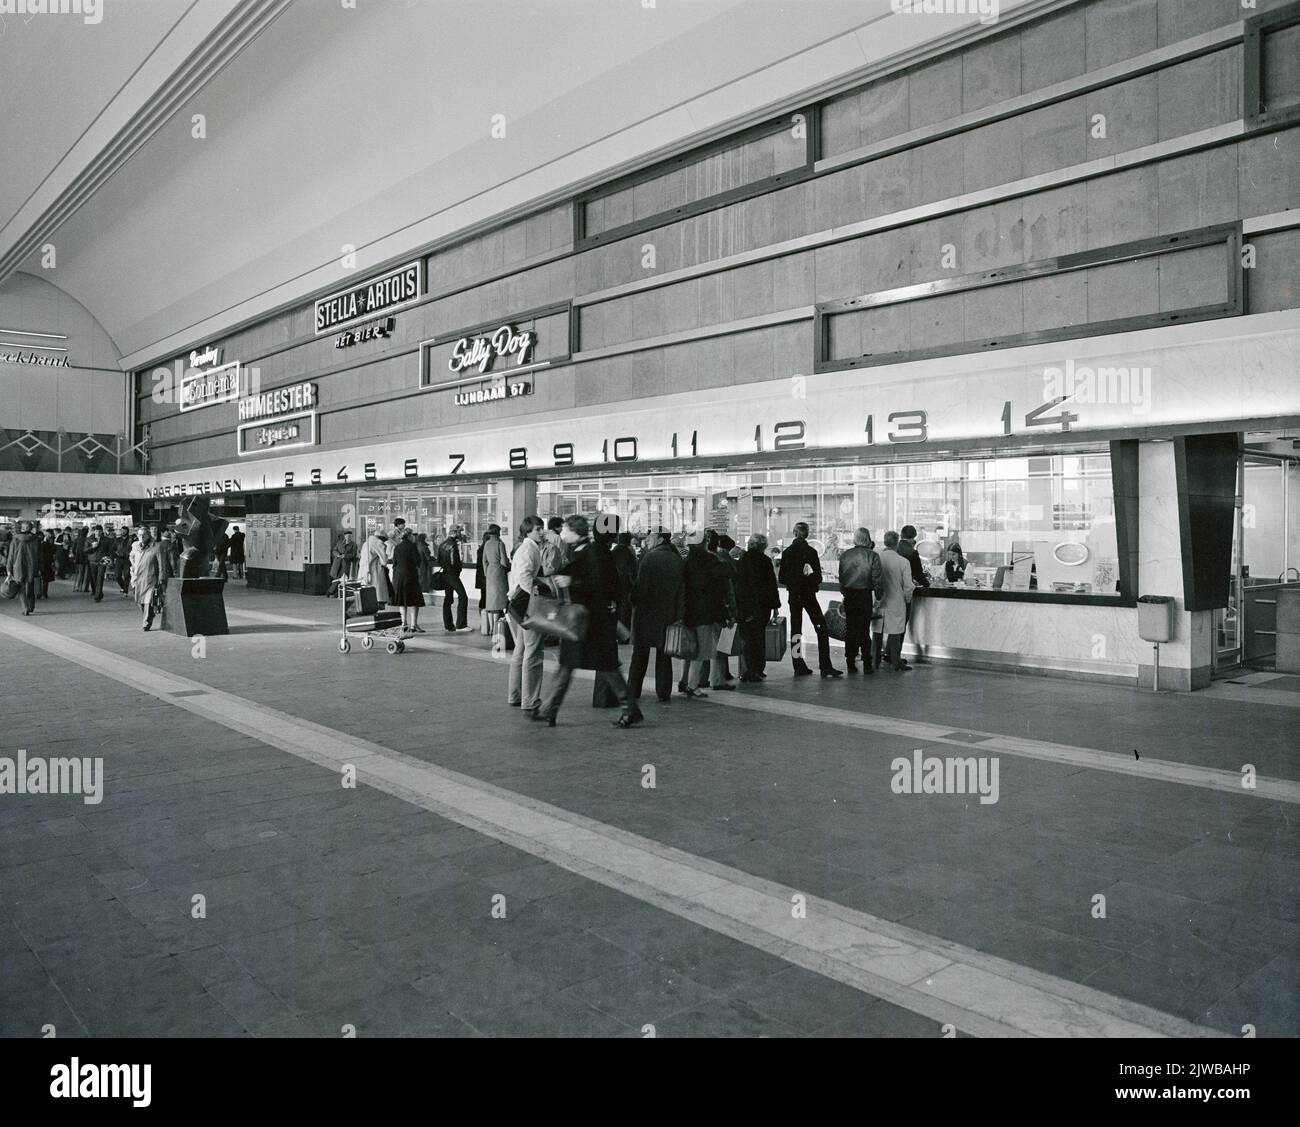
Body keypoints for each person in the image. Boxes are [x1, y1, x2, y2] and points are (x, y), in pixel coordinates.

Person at [532, 514, 642, 729]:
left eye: (565, 529)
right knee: (576, 665)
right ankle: (549, 710)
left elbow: (598, 585)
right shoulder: (583, 551)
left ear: (574, 531)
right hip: (586, 622)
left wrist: (572, 581)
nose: (561, 533)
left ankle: (630, 709)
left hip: (592, 624)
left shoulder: (592, 553)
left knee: (600, 666)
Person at [627, 528, 685, 706]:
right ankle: (663, 692)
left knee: (640, 654)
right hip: (668, 614)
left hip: (647, 612)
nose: (647, 540)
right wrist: (680, 614)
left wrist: (633, 602)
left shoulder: (649, 557)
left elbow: (639, 586)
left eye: (651, 537)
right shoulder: (677, 559)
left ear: (660, 539)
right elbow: (683, 591)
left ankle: (633, 690)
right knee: (663, 655)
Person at [777, 521, 842, 678]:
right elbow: (818, 577)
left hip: (794, 595)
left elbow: (782, 577)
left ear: (794, 533)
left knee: (796, 630)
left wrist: (794, 582)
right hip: (808, 595)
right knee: (821, 628)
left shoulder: (787, 553)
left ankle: (798, 664)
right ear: (807, 534)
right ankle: (825, 665)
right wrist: (808, 580)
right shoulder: (811, 552)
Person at [682, 528, 734, 696]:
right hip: (706, 612)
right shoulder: (709, 560)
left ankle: (687, 682)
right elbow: (729, 573)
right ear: (703, 543)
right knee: (702, 651)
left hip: (690, 611)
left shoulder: (686, 562)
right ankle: (692, 685)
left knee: (692, 649)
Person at [505, 516, 546, 712]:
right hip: (528, 607)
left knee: (520, 652)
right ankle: (530, 700)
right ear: (528, 531)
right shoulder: (529, 549)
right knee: (534, 652)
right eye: (538, 529)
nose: (541, 532)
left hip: (516, 606)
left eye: (542, 529)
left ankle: (515, 695)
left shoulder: (525, 547)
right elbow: (524, 577)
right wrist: (536, 595)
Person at [736, 532, 781, 682]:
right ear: (763, 546)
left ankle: (748, 669)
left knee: (748, 638)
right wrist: (775, 606)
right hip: (763, 606)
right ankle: (758, 669)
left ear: (753, 544)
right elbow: (771, 585)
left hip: (747, 605)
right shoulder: (766, 561)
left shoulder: (743, 560)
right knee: (759, 637)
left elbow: (741, 585)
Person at [838, 527, 884, 674]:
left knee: (851, 629)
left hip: (850, 596)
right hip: (864, 595)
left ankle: (850, 662)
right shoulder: (873, 556)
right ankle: (867, 663)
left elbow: (842, 578)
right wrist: (878, 596)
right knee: (864, 630)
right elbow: (877, 579)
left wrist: (845, 593)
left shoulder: (845, 555)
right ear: (868, 538)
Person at [875, 530, 916, 673]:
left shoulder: (877, 558)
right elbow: (908, 586)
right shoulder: (903, 561)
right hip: (896, 600)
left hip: (879, 600)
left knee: (877, 630)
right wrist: (906, 599)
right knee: (895, 632)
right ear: (897, 543)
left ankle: (874, 661)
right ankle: (895, 662)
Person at [130, 527, 168, 630]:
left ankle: (146, 622)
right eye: (139, 535)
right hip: (137, 578)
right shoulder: (135, 546)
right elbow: (132, 559)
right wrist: (132, 571)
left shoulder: (157, 546)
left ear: (148, 535)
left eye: (143, 535)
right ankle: (150, 615)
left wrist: (161, 577)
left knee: (148, 600)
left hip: (151, 578)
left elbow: (161, 564)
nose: (141, 537)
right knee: (139, 601)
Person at [389, 528, 425, 634]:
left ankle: (403, 624)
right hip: (410, 575)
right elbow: (417, 561)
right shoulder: (412, 546)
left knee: (402, 601)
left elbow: (394, 563)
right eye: (412, 535)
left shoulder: (397, 547)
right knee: (414, 601)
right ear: (409, 536)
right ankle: (414, 625)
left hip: (399, 576)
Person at [480, 524, 510, 635]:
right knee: (499, 601)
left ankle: (491, 628)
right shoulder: (500, 544)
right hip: (498, 571)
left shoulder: (487, 544)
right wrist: (509, 565)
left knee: (491, 601)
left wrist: (486, 572)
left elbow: (484, 560)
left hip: (489, 572)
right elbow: (503, 561)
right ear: (498, 532)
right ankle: (496, 629)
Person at [438, 525, 469, 632]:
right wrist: (458, 570)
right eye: (460, 532)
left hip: (445, 574)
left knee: (448, 598)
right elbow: (454, 562)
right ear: (455, 532)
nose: (461, 534)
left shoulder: (442, 544)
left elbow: (439, 560)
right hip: (452, 575)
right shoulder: (453, 545)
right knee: (463, 596)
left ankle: (448, 624)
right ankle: (461, 624)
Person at [6, 520, 41, 615]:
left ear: (21, 528)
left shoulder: (15, 539)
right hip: (32, 566)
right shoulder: (36, 539)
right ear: (30, 528)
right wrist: (39, 568)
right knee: (30, 586)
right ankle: (31, 606)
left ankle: (25, 608)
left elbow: (11, 556)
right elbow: (40, 555)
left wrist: (9, 569)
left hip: (18, 566)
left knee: (20, 588)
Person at [610, 531, 638, 632]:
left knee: (616, 610)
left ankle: (617, 633)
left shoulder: (613, 552)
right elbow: (632, 571)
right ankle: (624, 634)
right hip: (626, 586)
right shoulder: (629, 553)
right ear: (629, 540)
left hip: (615, 585)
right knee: (625, 611)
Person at [359, 528, 391, 606]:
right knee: (377, 588)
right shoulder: (378, 543)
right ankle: (378, 602)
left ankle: (368, 602)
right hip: (375, 568)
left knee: (367, 586)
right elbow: (384, 559)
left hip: (364, 568)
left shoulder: (366, 542)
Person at [84, 525, 106, 602]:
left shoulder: (106, 540)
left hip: (102, 561)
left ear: (102, 531)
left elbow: (109, 550)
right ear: (94, 531)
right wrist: (92, 547)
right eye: (96, 531)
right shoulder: (89, 539)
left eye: (100, 531)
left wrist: (108, 557)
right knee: (94, 578)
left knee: (100, 578)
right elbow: (85, 550)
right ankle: (97, 592)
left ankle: (97, 596)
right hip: (92, 561)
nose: (98, 533)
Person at [415, 532, 435, 604]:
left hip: (418, 567)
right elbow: (428, 557)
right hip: (423, 567)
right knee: (423, 583)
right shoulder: (424, 547)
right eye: (426, 538)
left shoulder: (417, 546)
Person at [112, 527, 132, 595]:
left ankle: (125, 591)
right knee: (117, 576)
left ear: (127, 531)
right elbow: (113, 549)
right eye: (122, 530)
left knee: (127, 575)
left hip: (127, 559)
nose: (123, 532)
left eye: (125, 531)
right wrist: (115, 555)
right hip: (119, 559)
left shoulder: (131, 539)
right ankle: (123, 587)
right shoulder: (117, 540)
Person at [38, 530, 56, 599]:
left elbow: (50, 554)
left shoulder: (45, 544)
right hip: (44, 564)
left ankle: (43, 593)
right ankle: (42, 593)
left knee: (44, 579)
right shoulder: (45, 544)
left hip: (45, 564)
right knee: (43, 580)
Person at [72, 526, 89, 592]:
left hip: (79, 558)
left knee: (80, 573)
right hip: (86, 558)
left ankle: (77, 586)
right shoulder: (87, 539)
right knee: (87, 573)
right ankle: (85, 587)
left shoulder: (76, 540)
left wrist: (75, 555)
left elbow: (73, 550)